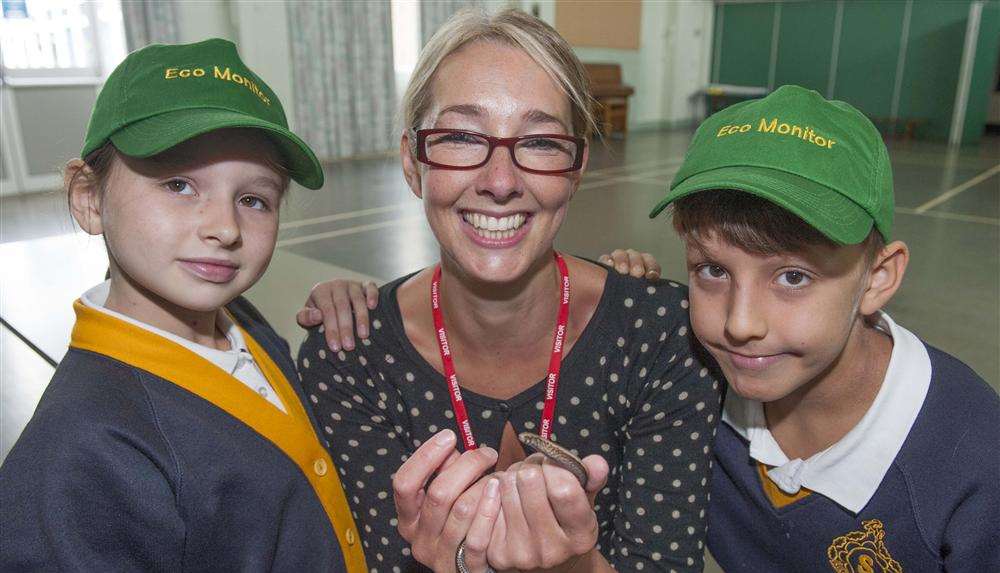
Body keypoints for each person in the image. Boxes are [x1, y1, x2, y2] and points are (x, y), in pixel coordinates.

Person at [296, 9, 720, 573]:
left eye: (541, 142)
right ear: (412, 162)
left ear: (576, 167)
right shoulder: (351, 357)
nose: (500, 182)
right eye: (462, 137)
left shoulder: (664, 337)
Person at [0, 39, 367, 571]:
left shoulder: (246, 324)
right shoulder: (76, 454)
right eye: (178, 184)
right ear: (88, 196)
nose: (224, 227)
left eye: (253, 199)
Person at [648, 85, 999, 570]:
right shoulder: (683, 384)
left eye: (793, 277)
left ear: (878, 277)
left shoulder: (977, 461)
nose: (740, 323)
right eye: (713, 270)